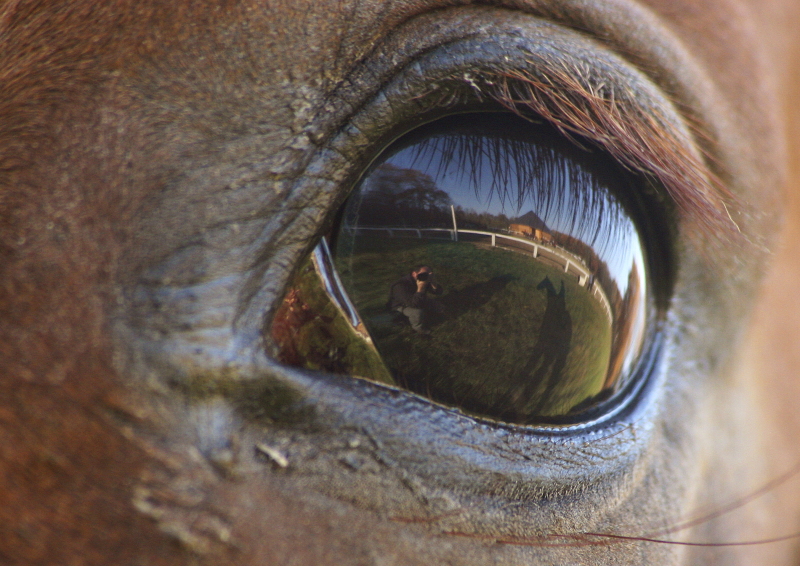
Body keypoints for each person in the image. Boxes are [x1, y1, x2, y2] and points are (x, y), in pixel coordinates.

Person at [389, 265, 443, 334]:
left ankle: (433, 319)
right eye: (424, 274)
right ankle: (419, 329)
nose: (426, 276)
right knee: (417, 312)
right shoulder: (400, 285)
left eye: (429, 274)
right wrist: (420, 288)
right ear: (414, 274)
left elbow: (439, 292)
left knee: (438, 306)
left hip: (416, 300)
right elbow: (414, 304)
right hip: (401, 306)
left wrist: (433, 282)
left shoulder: (423, 279)